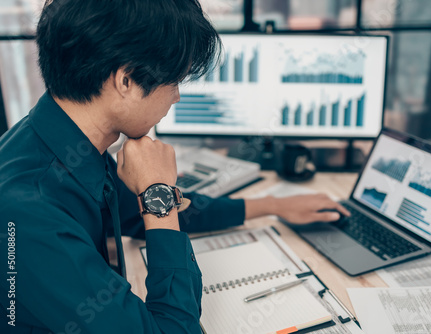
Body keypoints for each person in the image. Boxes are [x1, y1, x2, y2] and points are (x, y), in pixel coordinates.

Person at [0, 0, 349, 333]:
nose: (177, 96)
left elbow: (134, 213)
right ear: (126, 81)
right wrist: (159, 195)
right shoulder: (30, 213)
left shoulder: (62, 141)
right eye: (174, 81)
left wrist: (271, 206)